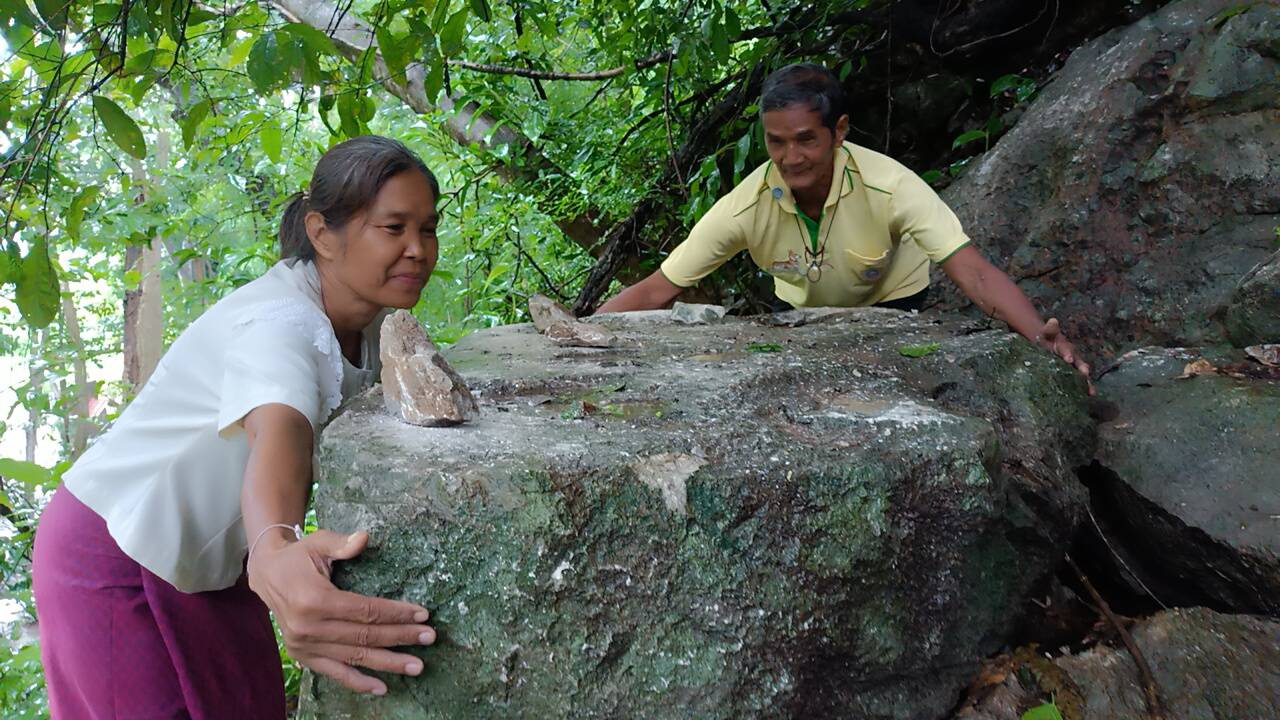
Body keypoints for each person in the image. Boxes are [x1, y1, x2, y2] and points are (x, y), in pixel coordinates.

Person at [32, 135, 441, 717]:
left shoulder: (370, 324)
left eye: (427, 229)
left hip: (211, 560)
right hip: (118, 548)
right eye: (392, 227)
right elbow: (279, 429)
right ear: (323, 234)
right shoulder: (281, 325)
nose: (417, 249)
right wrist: (277, 547)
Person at [596, 63, 1091, 384]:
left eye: (806, 140)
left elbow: (975, 273)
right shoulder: (746, 206)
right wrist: (572, 336)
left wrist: (1041, 338)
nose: (791, 158)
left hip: (894, 307)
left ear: (839, 132)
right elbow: (661, 287)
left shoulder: (891, 186)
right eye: (775, 142)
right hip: (800, 318)